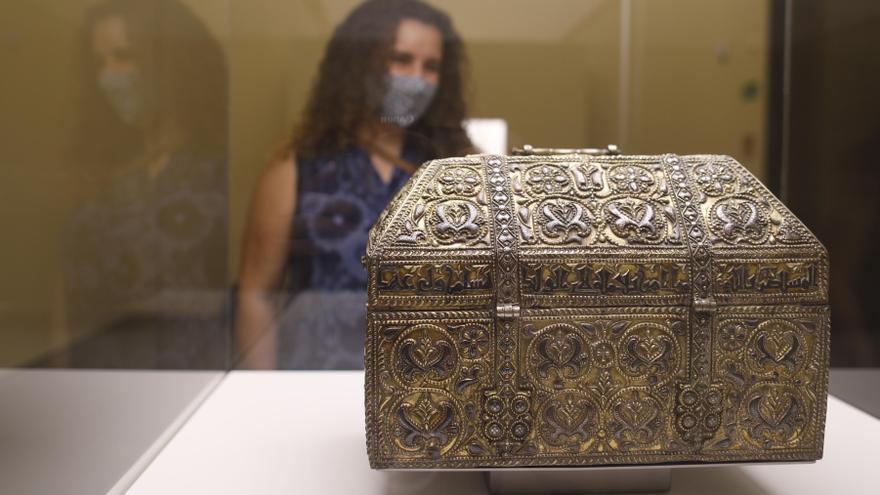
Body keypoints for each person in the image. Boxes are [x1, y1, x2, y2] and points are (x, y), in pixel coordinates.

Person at [236, 0, 474, 369]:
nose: (415, 78)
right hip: (313, 381)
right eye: (400, 59)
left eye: (431, 67)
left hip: (428, 389)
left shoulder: (458, 165)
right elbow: (257, 293)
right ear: (359, 65)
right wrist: (259, 392)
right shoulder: (298, 164)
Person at [55, 0, 228, 368]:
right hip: (97, 378)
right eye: (99, 63)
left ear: (169, 62)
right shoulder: (94, 171)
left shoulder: (216, 171)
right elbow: (64, 301)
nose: (109, 77)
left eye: (124, 56)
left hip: (192, 382)